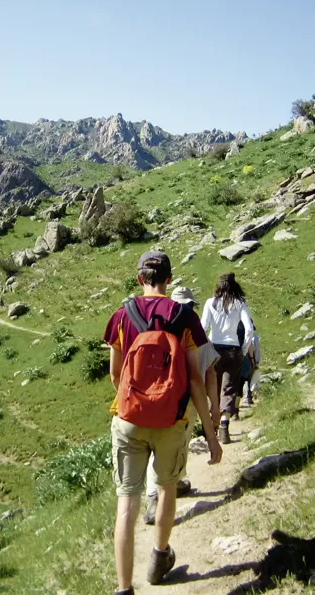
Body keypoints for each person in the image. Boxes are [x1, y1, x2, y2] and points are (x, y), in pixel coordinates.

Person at [104, 251, 222, 594]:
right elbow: (196, 381)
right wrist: (211, 437)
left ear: (140, 279)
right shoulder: (185, 317)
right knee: (168, 486)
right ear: (169, 280)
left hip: (129, 419)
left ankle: (124, 587)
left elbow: (115, 375)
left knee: (127, 501)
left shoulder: (121, 315)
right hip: (173, 419)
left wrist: (139, 398)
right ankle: (159, 558)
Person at [142, 286, 221, 525]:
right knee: (178, 443)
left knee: (155, 445)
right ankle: (159, 494)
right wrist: (214, 407)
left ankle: (162, 491)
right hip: (184, 401)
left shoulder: (154, 329)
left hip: (152, 397)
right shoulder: (195, 332)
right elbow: (208, 373)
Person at [200, 273, 253, 445]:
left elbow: (202, 327)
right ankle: (224, 427)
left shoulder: (210, 303)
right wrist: (244, 349)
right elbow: (249, 329)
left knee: (212, 389)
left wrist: (206, 348)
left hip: (214, 348)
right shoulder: (239, 303)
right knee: (229, 388)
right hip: (233, 349)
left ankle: (211, 426)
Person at [241, 322, 261, 406]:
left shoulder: (238, 335)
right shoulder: (254, 337)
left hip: (241, 358)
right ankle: (248, 396)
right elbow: (257, 350)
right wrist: (256, 362)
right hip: (250, 359)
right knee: (249, 378)